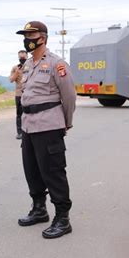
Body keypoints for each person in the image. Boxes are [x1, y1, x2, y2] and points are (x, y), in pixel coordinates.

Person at [16, 21, 76, 239]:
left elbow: (69, 95)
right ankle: (39, 209)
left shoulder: (56, 64)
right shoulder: (29, 65)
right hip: (29, 125)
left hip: (49, 125)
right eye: (25, 35)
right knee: (31, 170)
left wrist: (65, 122)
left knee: (53, 172)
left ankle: (62, 218)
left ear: (43, 37)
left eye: (31, 35)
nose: (27, 39)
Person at [10, 50, 28, 139]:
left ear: (27, 57)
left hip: (29, 94)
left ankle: (28, 132)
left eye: (23, 58)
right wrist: (17, 72)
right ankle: (19, 132)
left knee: (29, 113)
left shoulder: (31, 67)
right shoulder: (15, 68)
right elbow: (11, 80)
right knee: (19, 114)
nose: (22, 59)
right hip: (19, 94)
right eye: (20, 58)